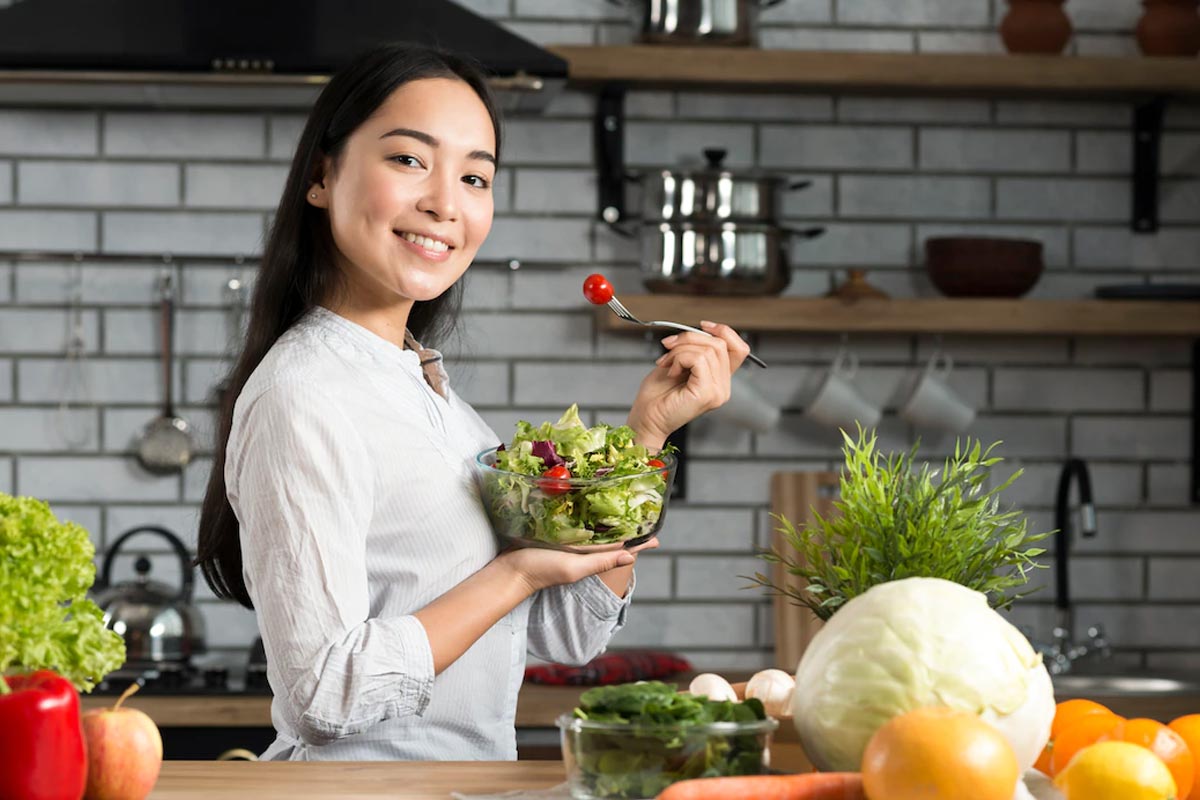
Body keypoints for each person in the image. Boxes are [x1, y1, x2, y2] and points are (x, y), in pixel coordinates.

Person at [195, 42, 750, 762]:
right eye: (408, 159)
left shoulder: (431, 396)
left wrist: (646, 436)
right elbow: (324, 695)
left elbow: (568, 631)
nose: (445, 203)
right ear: (321, 176)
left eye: (474, 177)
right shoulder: (304, 394)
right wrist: (515, 574)